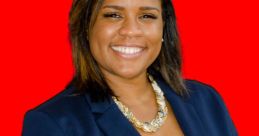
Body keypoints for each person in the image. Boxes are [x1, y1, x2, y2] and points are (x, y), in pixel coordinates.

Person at [22, 0, 238, 135]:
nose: (131, 30)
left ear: (164, 28)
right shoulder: (53, 123)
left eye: (147, 16)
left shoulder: (206, 100)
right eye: (113, 15)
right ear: (87, 27)